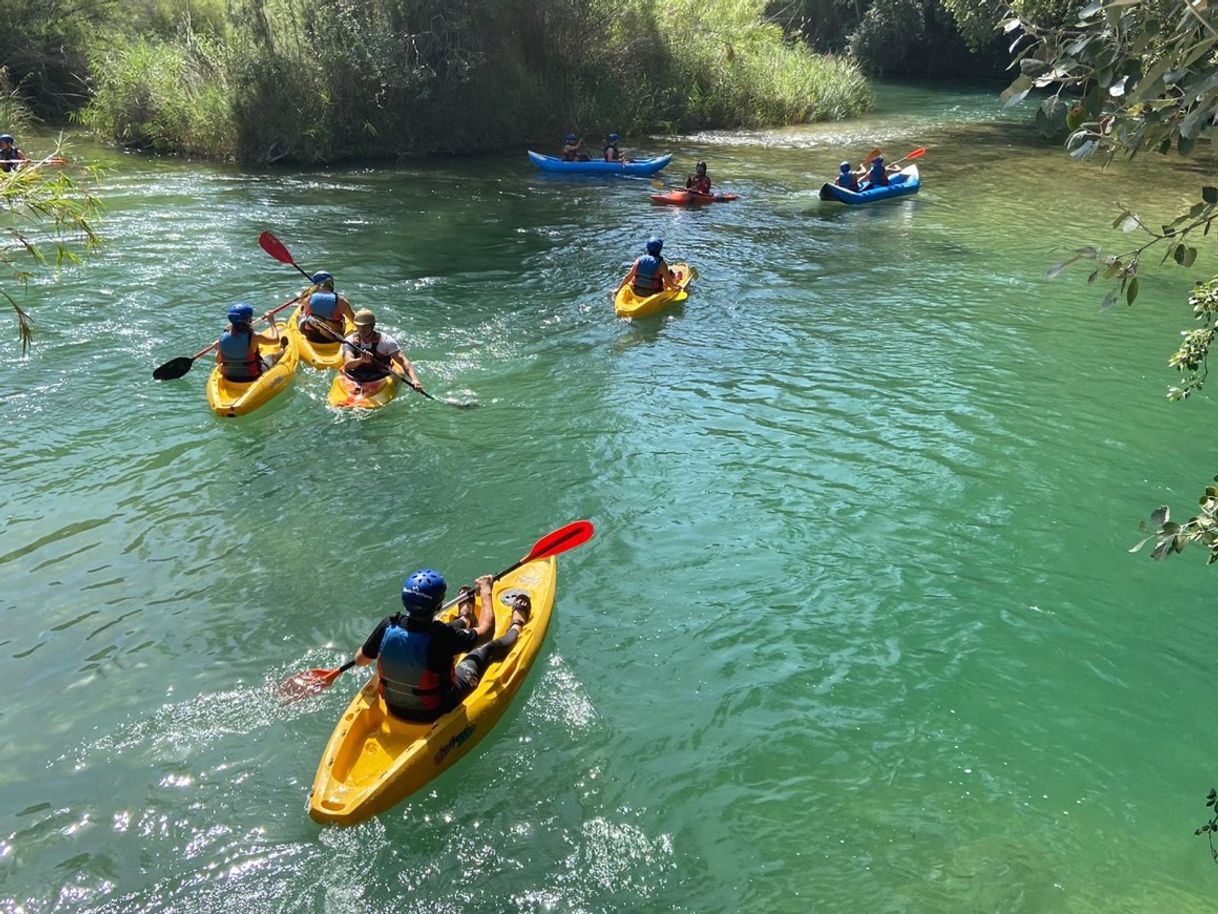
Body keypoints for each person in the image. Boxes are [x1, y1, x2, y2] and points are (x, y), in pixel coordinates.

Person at [353, 569, 533, 722]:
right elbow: (487, 632)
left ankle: (465, 617)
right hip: (436, 710)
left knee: (436, 634)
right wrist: (486, 591)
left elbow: (360, 660)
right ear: (439, 606)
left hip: (393, 708)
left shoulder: (388, 624)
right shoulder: (442, 636)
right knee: (484, 650)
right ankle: (516, 625)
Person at [340, 308, 423, 389]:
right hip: (356, 375)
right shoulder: (349, 341)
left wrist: (415, 380)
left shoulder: (386, 341)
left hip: (379, 374)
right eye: (359, 326)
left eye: (365, 326)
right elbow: (348, 365)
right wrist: (361, 360)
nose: (361, 330)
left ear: (372, 326)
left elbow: (403, 361)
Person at [215, 303, 285, 382]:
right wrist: (272, 322)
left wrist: (218, 347)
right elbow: (275, 340)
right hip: (251, 377)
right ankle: (283, 350)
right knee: (271, 357)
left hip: (229, 376)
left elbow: (218, 360)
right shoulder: (254, 336)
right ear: (249, 320)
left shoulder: (222, 337)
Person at [300, 270, 355, 343]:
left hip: (312, 336)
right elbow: (354, 320)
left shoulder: (307, 299)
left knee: (301, 317)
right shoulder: (340, 300)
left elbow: (300, 304)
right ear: (331, 283)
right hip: (334, 337)